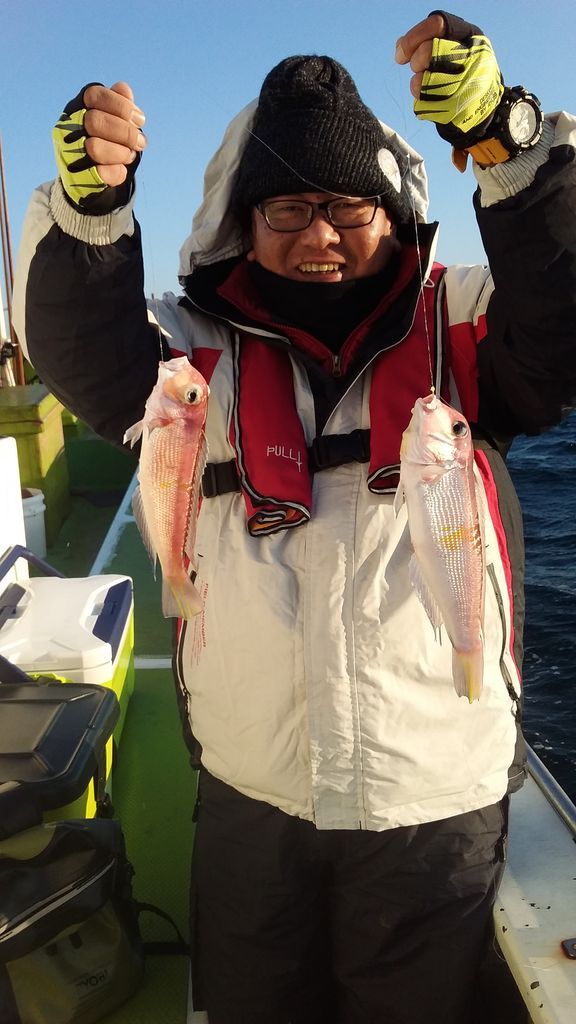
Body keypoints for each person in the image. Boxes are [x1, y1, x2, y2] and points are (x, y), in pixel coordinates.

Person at [13, 10, 576, 1024]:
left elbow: (562, 317)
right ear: (243, 221)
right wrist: (91, 213)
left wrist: (513, 144)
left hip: (433, 794)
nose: (320, 234)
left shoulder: (464, 324)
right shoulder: (185, 352)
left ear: (393, 211)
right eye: (286, 208)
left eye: (348, 206)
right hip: (253, 787)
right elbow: (79, 342)